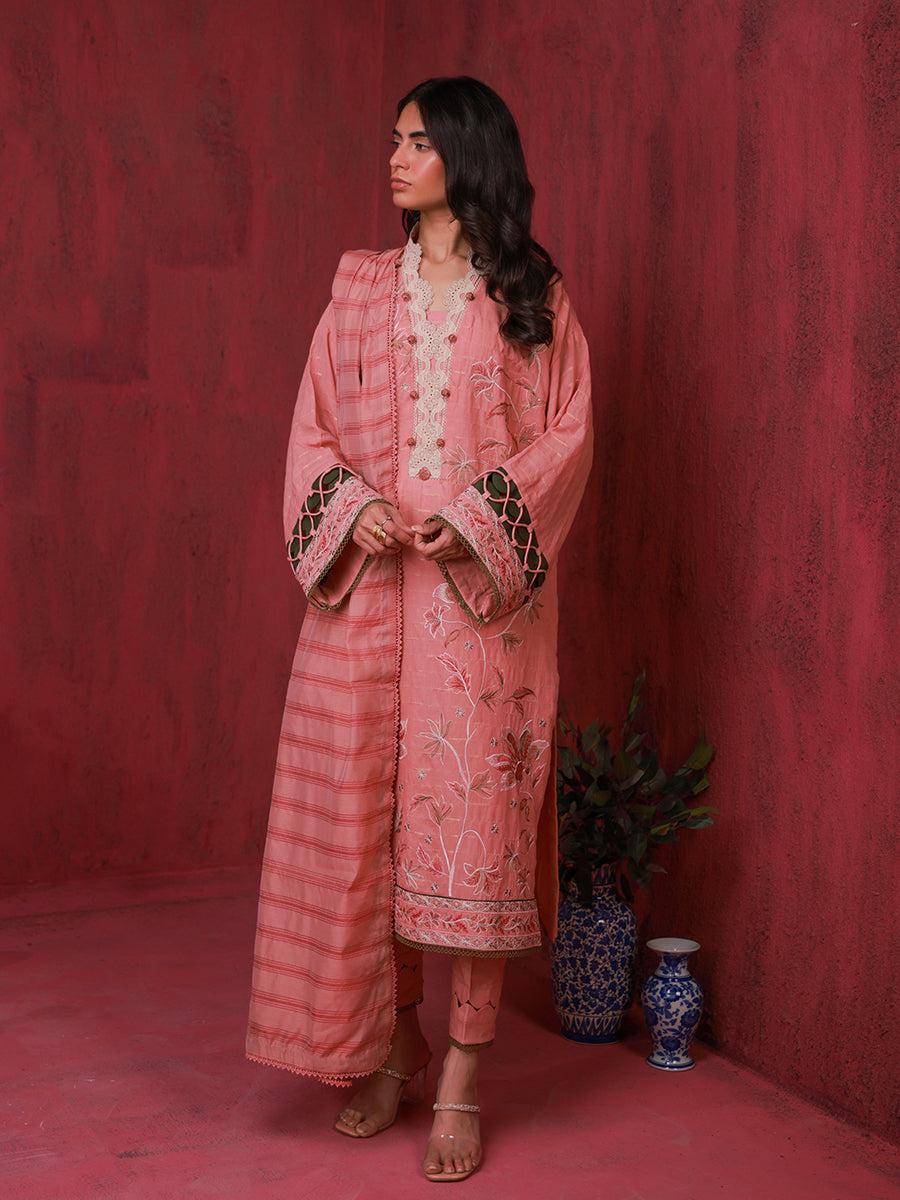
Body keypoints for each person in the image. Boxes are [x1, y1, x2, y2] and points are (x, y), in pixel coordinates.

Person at [246, 76, 592, 1183]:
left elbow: (568, 436)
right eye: (392, 141)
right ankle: (396, 1048)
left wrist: (481, 521)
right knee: (371, 830)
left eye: (417, 143)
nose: (396, 159)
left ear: (466, 155)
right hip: (371, 598)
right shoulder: (359, 293)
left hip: (482, 614)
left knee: (473, 837)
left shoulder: (530, 294)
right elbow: (312, 431)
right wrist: (355, 509)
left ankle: (462, 1081)